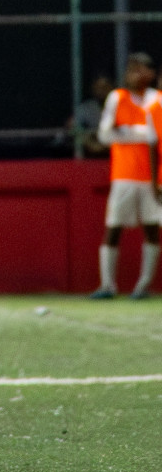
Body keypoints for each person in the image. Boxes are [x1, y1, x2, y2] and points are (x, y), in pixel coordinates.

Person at [92, 53, 160, 299]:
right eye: (130, 69)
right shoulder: (117, 97)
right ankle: (107, 286)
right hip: (123, 175)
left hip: (152, 178)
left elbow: (156, 138)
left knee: (152, 229)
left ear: (150, 74)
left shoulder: (157, 100)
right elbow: (105, 135)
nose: (133, 74)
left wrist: (126, 132)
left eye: (139, 69)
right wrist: (141, 133)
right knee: (114, 228)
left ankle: (143, 286)